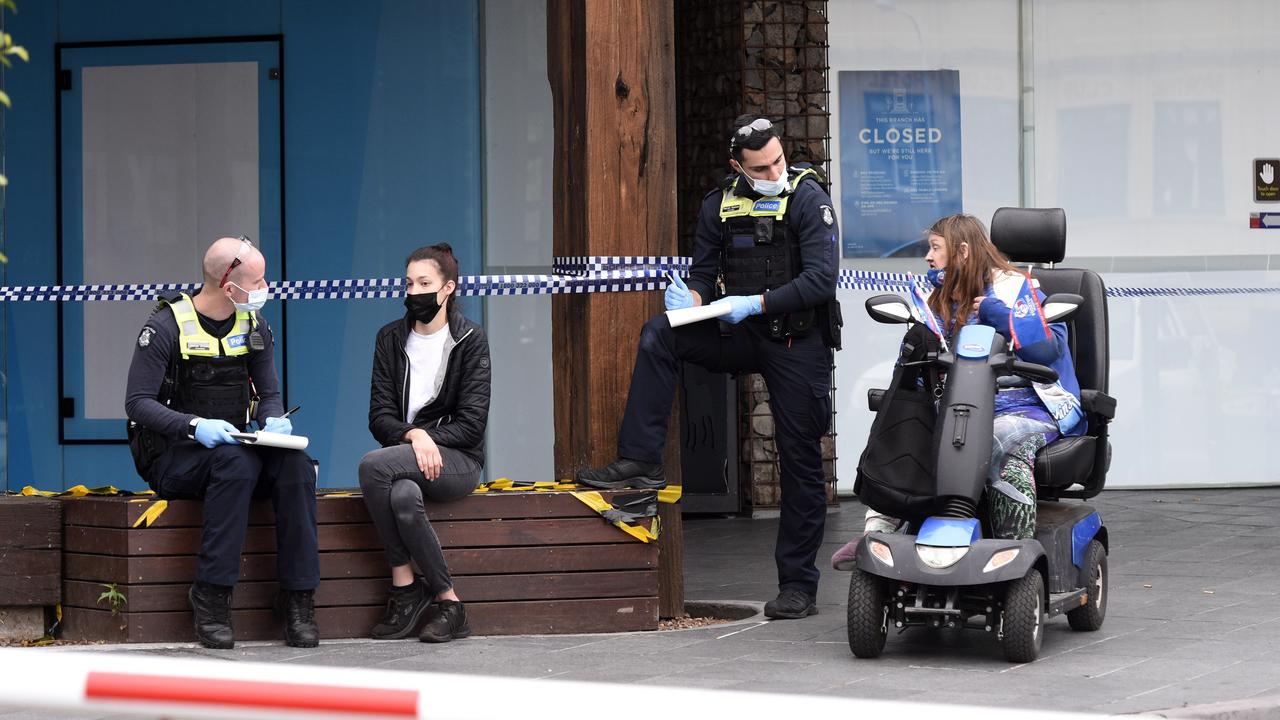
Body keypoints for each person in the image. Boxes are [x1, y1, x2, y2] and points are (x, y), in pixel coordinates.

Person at [577, 115, 842, 620]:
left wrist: (758, 303)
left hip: (795, 340)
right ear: (737, 166)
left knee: (801, 461)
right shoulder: (718, 204)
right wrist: (692, 296)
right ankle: (641, 460)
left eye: (778, 162)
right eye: (761, 168)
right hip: (740, 332)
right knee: (660, 334)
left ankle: (798, 587)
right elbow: (703, 273)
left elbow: (820, 282)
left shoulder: (809, 199)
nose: (773, 173)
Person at [833, 214, 1085, 568]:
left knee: (997, 440)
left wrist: (1000, 315)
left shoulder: (1016, 288)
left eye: (935, 248)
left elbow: (1047, 350)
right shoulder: (935, 300)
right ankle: (880, 538)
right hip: (959, 403)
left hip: (1027, 405)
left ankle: (1018, 559)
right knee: (906, 436)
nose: (928, 257)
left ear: (962, 251)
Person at [125, 236, 319, 650]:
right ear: (230, 288)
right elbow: (138, 404)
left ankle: (298, 598)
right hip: (175, 454)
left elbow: (268, 391)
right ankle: (211, 597)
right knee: (237, 465)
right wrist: (195, 426)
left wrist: (272, 419)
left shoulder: (255, 325)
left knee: (297, 467)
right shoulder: (164, 326)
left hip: (235, 447)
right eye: (260, 280)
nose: (267, 287)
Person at [359, 243, 491, 643]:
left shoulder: (469, 339)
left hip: (459, 460)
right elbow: (379, 417)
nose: (414, 291)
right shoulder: (390, 339)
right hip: (411, 455)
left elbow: (472, 425)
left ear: (447, 288)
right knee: (401, 495)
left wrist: (430, 438)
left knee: (372, 467)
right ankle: (450, 603)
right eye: (409, 282)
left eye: (424, 283)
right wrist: (415, 435)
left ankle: (404, 583)